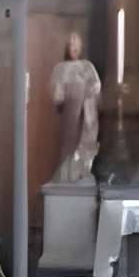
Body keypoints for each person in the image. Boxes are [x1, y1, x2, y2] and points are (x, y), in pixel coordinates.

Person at [50, 31, 101, 182]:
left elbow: (96, 85)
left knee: (87, 141)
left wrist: (87, 91)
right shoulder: (60, 68)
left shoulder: (87, 66)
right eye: (71, 44)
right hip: (71, 111)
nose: (74, 46)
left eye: (76, 43)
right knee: (70, 142)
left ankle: (83, 171)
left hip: (88, 110)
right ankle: (66, 174)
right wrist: (64, 93)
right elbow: (57, 95)